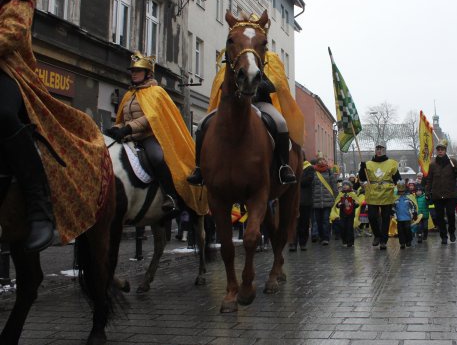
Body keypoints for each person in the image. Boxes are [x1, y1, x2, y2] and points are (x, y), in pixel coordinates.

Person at [0, 0, 112, 252]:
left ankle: (39, 203)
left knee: (3, 113)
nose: (134, 75)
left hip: (5, 68)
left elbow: (14, 31)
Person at [187, 14, 304, 186]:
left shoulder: (270, 58)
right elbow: (221, 81)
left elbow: (277, 84)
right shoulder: (236, 53)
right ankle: (199, 169)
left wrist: (259, 85)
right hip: (234, 104)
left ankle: (283, 167)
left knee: (280, 124)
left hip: (261, 103)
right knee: (203, 125)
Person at [107, 52, 202, 218]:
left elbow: (152, 117)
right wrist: (116, 128)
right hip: (130, 138)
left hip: (149, 137)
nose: (134, 73)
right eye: (133, 70)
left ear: (148, 73)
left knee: (157, 158)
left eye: (138, 70)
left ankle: (171, 196)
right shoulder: (129, 94)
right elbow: (122, 118)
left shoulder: (157, 92)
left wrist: (128, 128)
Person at [358, 144, 401, 250]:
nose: (379, 151)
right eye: (377, 149)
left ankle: (383, 240)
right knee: (372, 216)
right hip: (372, 193)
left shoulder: (392, 163)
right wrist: (362, 168)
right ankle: (377, 235)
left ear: (385, 150)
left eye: (381, 149)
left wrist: (400, 189)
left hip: (387, 193)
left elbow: (397, 178)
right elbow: (362, 178)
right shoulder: (368, 164)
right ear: (375, 151)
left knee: (386, 218)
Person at [424, 140, 457, 244]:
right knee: (439, 217)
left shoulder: (452, 161)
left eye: (442, 150)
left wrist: (456, 170)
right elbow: (429, 180)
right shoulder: (432, 164)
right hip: (437, 194)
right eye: (438, 150)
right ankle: (443, 236)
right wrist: (427, 192)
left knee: (450, 214)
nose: (440, 151)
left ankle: (452, 232)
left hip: (450, 194)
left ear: (445, 151)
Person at [290, 155, 315, 251]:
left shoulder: (309, 168)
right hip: (293, 200)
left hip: (305, 200)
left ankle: (303, 243)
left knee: (304, 223)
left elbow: (308, 181)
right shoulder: (292, 166)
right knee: (293, 224)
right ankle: (292, 243)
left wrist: (295, 180)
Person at [311, 157, 337, 245]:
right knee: (318, 221)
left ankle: (326, 238)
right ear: (317, 162)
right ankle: (321, 236)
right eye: (320, 160)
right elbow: (312, 186)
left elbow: (334, 185)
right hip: (316, 200)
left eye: (324, 160)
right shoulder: (314, 172)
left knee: (326, 220)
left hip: (328, 200)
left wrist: (337, 198)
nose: (322, 161)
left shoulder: (329, 172)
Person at [334, 180, 359, 247]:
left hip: (350, 214)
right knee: (343, 227)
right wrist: (338, 204)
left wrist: (356, 203)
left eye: (346, 185)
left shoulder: (353, 194)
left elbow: (357, 204)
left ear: (350, 186)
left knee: (349, 228)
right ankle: (344, 241)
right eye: (343, 185)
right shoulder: (340, 194)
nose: (345, 186)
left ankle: (350, 242)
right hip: (342, 214)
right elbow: (337, 203)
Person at [393, 181, 417, 249]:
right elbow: (393, 208)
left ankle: (408, 241)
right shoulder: (395, 198)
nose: (401, 193)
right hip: (399, 218)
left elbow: (413, 206)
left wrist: (414, 213)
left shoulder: (408, 197)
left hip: (407, 217)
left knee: (407, 229)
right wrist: (394, 215)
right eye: (400, 191)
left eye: (402, 191)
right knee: (400, 231)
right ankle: (402, 243)